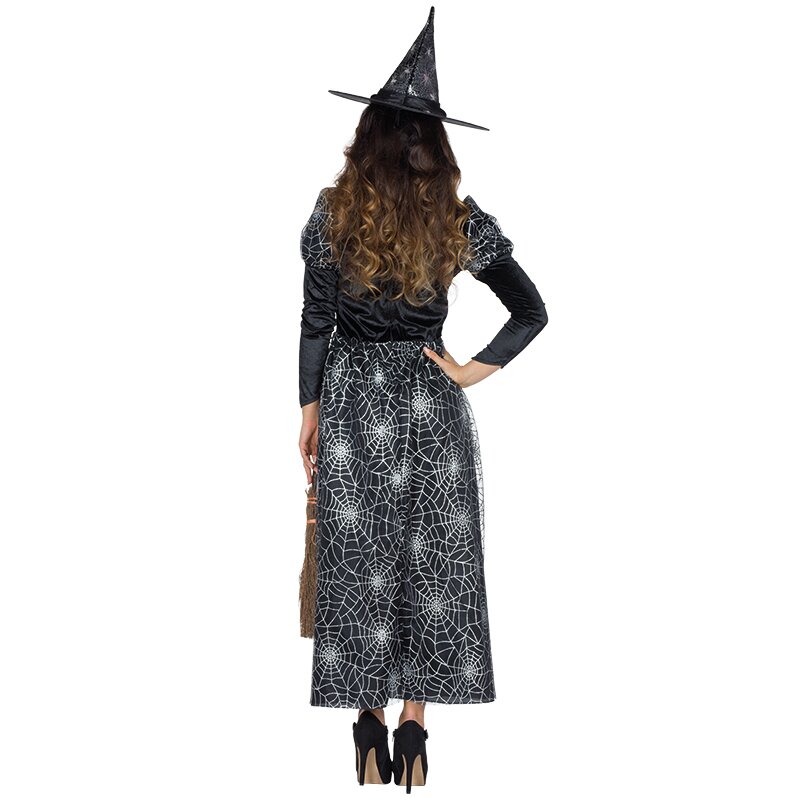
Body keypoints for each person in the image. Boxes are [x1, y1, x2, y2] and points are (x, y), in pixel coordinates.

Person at [297, 7, 548, 792]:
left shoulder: (333, 214)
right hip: (430, 405)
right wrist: (470, 370)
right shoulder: (456, 220)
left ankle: (366, 723)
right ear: (436, 148)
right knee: (431, 561)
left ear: (366, 137)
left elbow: (315, 320)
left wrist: (308, 409)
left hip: (351, 406)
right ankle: (414, 729)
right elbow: (531, 309)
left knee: (360, 560)